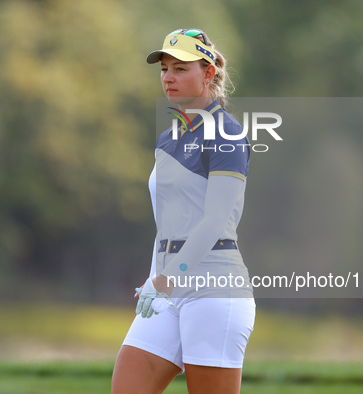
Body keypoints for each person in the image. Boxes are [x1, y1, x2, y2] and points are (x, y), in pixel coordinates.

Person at [111, 28, 255, 394]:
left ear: (208, 73)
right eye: (164, 69)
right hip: (167, 287)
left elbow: (214, 221)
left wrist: (167, 279)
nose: (168, 78)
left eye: (180, 68)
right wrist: (155, 277)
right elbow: (169, 224)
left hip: (214, 290)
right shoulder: (168, 139)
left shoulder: (227, 133)